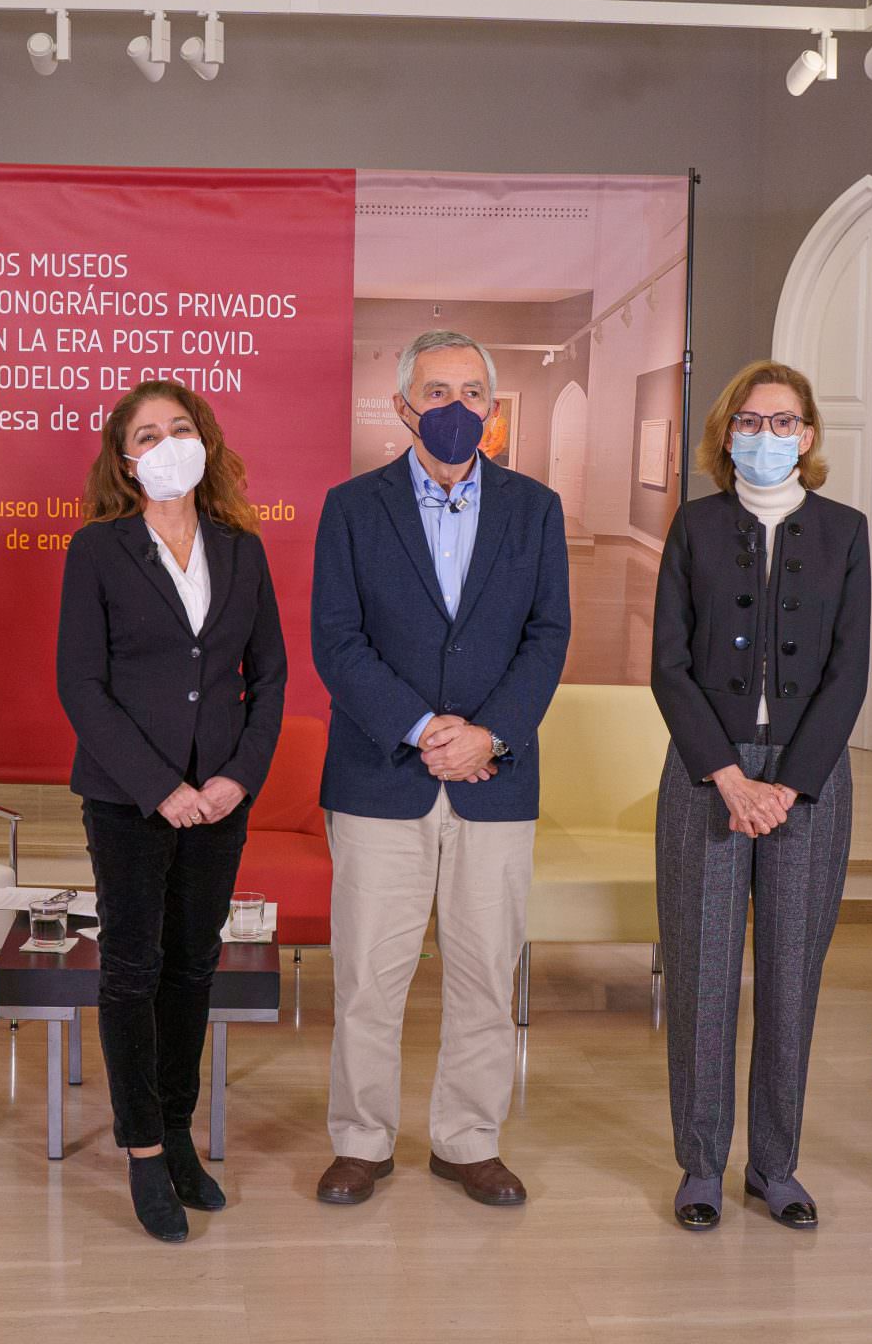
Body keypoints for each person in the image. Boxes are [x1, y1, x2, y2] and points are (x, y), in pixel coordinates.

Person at [310, 330, 571, 1209]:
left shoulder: (536, 510)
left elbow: (548, 637)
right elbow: (336, 641)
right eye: (436, 391)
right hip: (380, 776)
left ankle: (468, 1140)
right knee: (367, 978)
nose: (454, 407)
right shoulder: (352, 508)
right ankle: (361, 1141)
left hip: (495, 780)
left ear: (490, 409)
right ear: (402, 406)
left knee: (485, 974)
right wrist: (425, 729)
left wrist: (489, 734)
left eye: (471, 392)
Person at [56, 382, 286, 1243]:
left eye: (179, 428)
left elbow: (270, 677)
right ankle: (144, 1149)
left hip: (221, 796)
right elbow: (81, 683)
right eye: (146, 434)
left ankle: (180, 1131)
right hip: (128, 797)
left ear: (205, 441)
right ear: (125, 460)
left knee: (193, 966)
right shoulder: (97, 549)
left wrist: (238, 777)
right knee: (133, 968)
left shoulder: (241, 550)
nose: (165, 444)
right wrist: (161, 787)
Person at [648, 361, 869, 1232]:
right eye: (749, 420)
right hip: (708, 773)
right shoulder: (694, 525)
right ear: (726, 432)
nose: (765, 435)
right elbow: (668, 664)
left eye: (782, 422)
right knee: (701, 974)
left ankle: (776, 1164)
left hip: (807, 780)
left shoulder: (845, 531)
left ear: (807, 436)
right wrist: (729, 775)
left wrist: (788, 783)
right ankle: (701, 1163)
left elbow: (850, 672)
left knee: (789, 977)